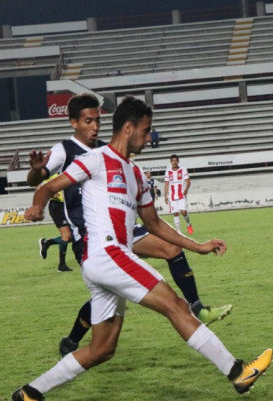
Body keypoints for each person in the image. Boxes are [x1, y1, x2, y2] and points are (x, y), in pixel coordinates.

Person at [12, 96, 273, 401]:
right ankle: (238, 373)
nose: (150, 139)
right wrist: (38, 202)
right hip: (107, 254)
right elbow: (48, 187)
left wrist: (198, 245)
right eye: (146, 132)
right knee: (176, 306)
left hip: (103, 264)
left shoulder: (137, 176)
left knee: (102, 350)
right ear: (128, 127)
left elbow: (153, 224)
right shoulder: (96, 159)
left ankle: (30, 392)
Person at [27, 93, 232, 358]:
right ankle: (72, 341)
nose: (95, 126)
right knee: (110, 294)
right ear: (73, 123)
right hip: (90, 235)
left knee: (169, 250)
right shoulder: (64, 150)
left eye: (98, 120)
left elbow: (151, 217)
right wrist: (35, 179)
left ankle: (196, 307)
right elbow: (40, 180)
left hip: (121, 229)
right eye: (88, 121)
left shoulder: (108, 150)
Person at [38, 174, 73, 272]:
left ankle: (47, 243)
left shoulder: (64, 171)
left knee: (72, 236)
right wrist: (51, 194)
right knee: (66, 235)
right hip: (57, 206)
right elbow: (41, 186)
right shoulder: (53, 173)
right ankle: (61, 265)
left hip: (65, 206)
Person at [164, 154, 194, 234]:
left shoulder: (183, 169)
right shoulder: (168, 171)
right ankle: (179, 232)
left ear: (178, 161)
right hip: (172, 196)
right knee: (175, 213)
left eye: (175, 160)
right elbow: (166, 184)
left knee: (184, 212)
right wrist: (165, 196)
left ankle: (188, 224)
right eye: (173, 161)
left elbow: (188, 181)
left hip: (181, 194)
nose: (174, 162)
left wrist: (186, 189)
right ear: (170, 162)